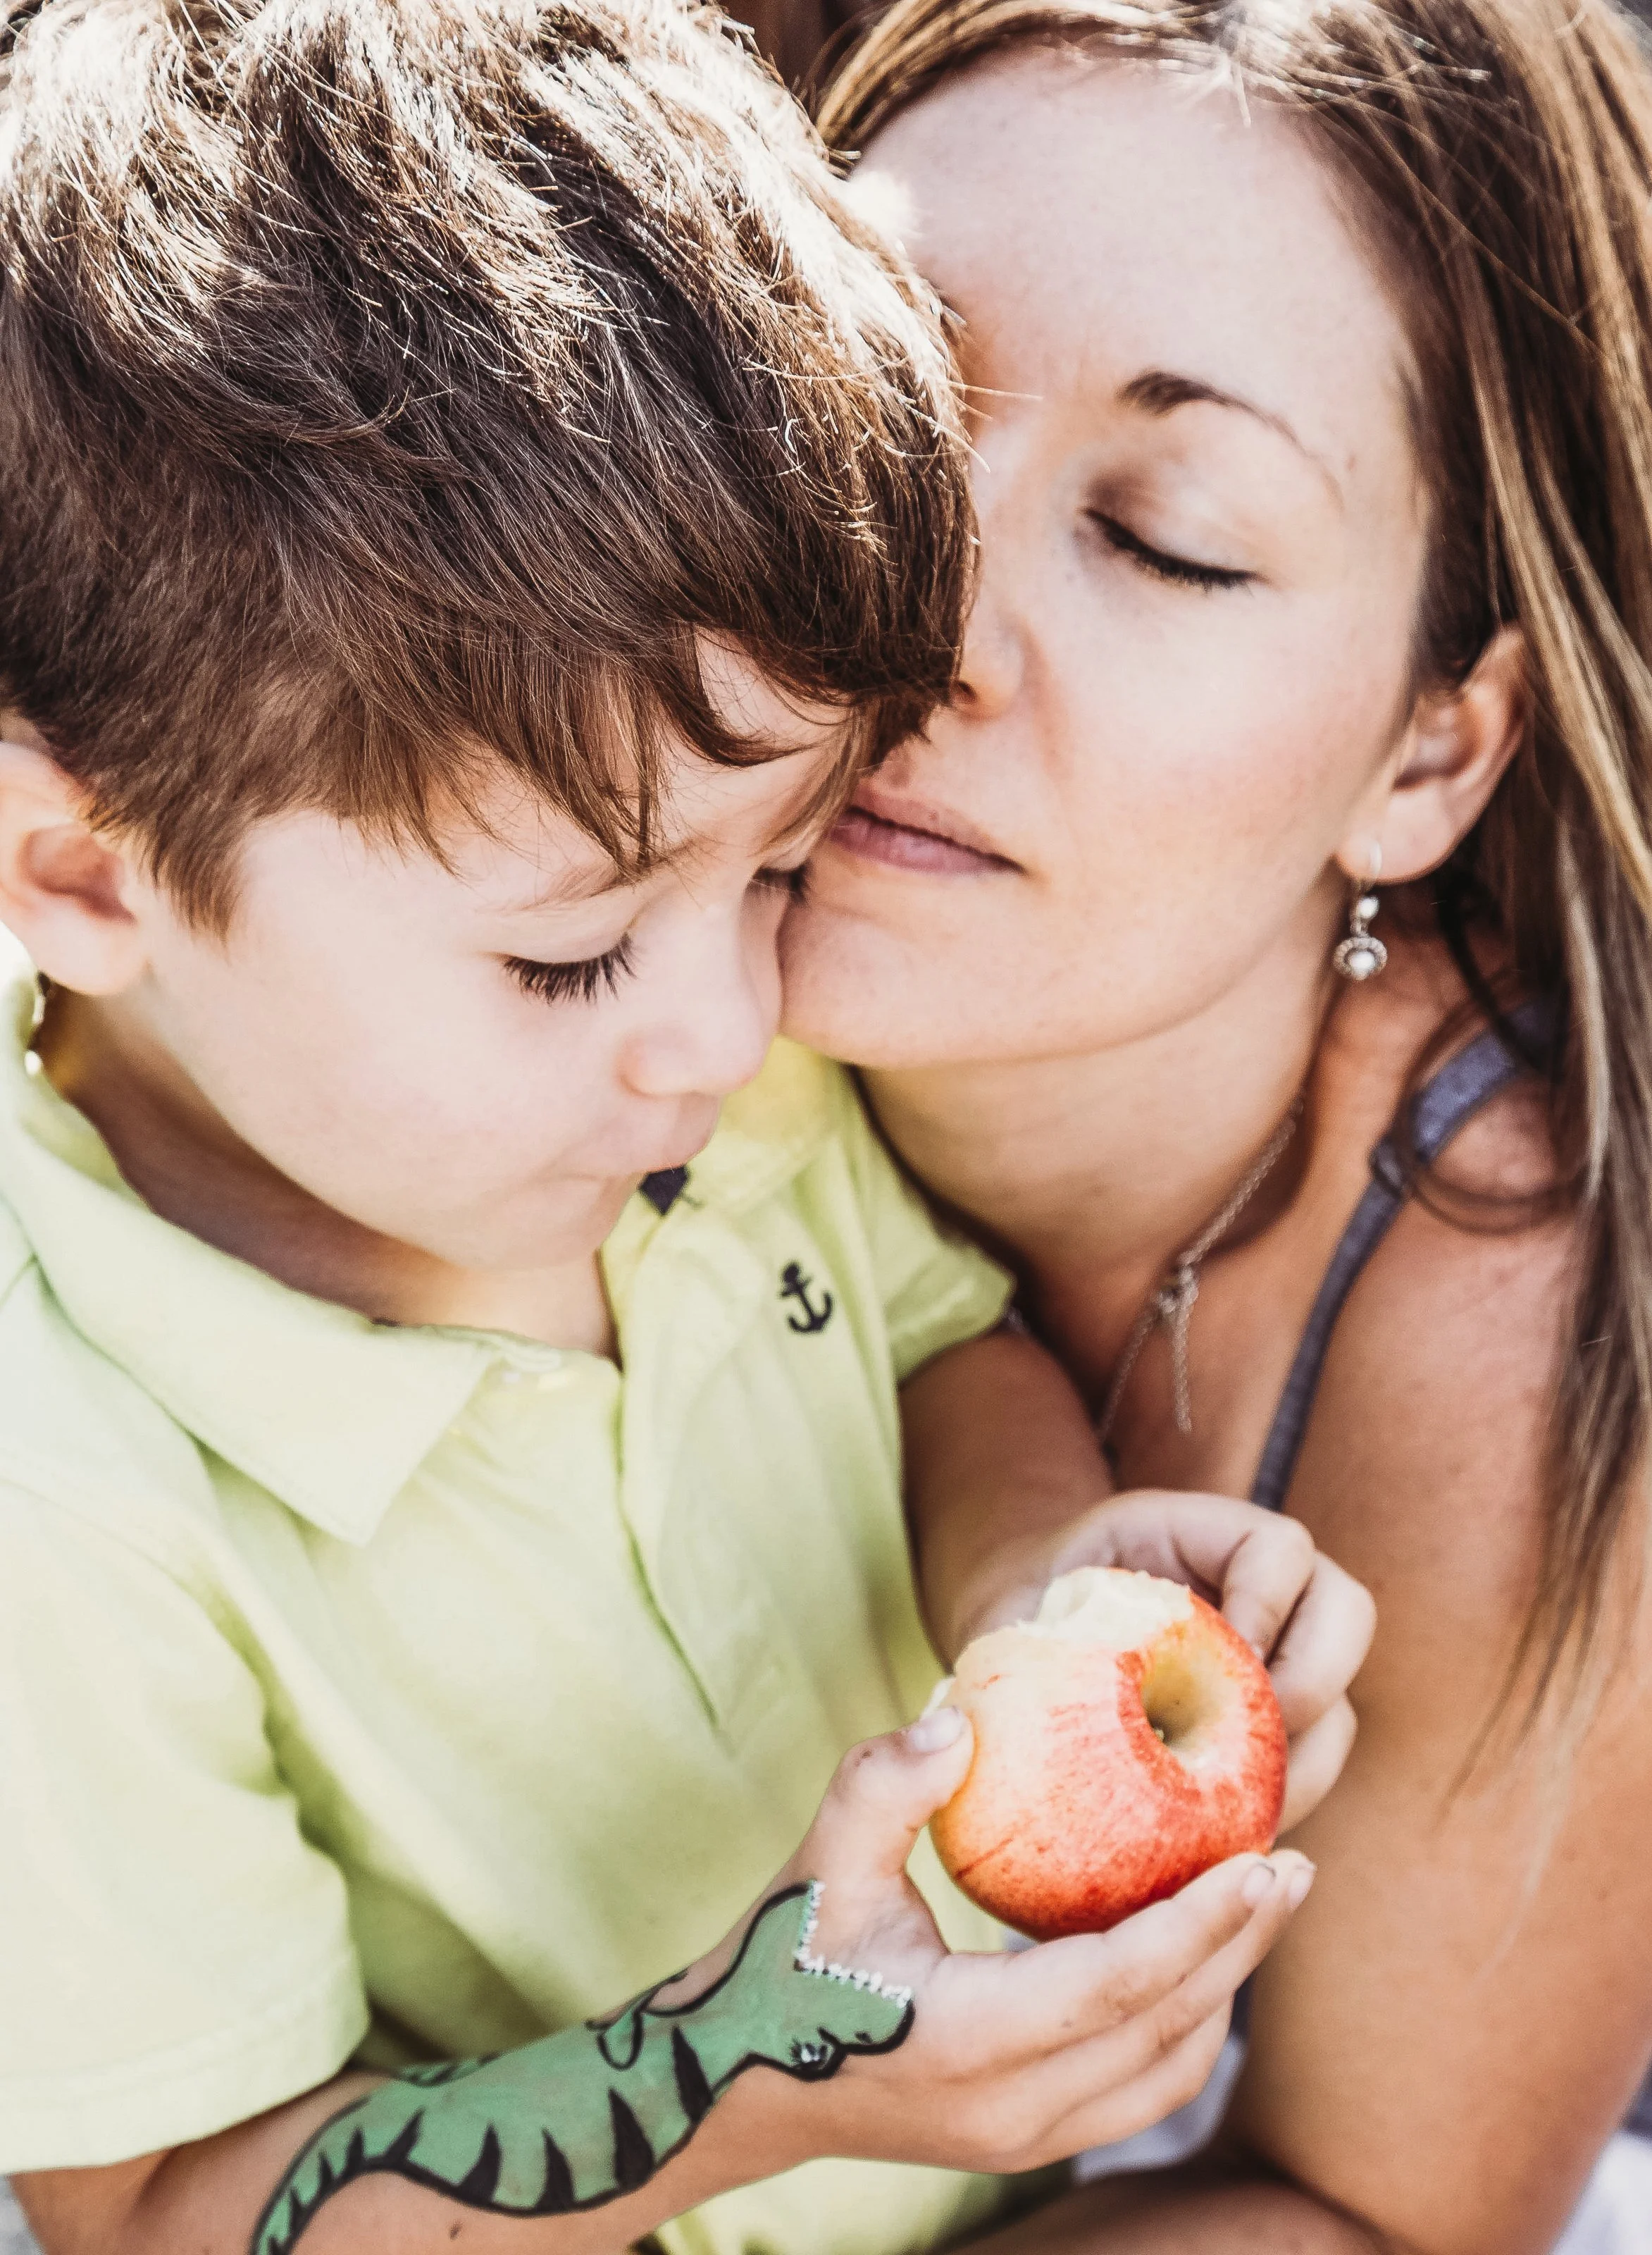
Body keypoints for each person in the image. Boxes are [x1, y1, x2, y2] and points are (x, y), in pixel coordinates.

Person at [0, 3, 1374, 2253]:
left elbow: (937, 1350)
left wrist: (1052, 1578)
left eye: (777, 869)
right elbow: (167, 2209)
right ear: (84, 878)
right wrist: (761, 2069)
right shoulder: (53, 1501)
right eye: (569, 955)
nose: (731, 1028)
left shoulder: (666, 1073)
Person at [777, 1, 1652, 2249]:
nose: (919, 616)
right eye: (859, 407)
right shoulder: (487, 927)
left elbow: (1377, 2212)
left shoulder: (1518, 1360)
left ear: (1431, 758)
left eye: (1165, 538)